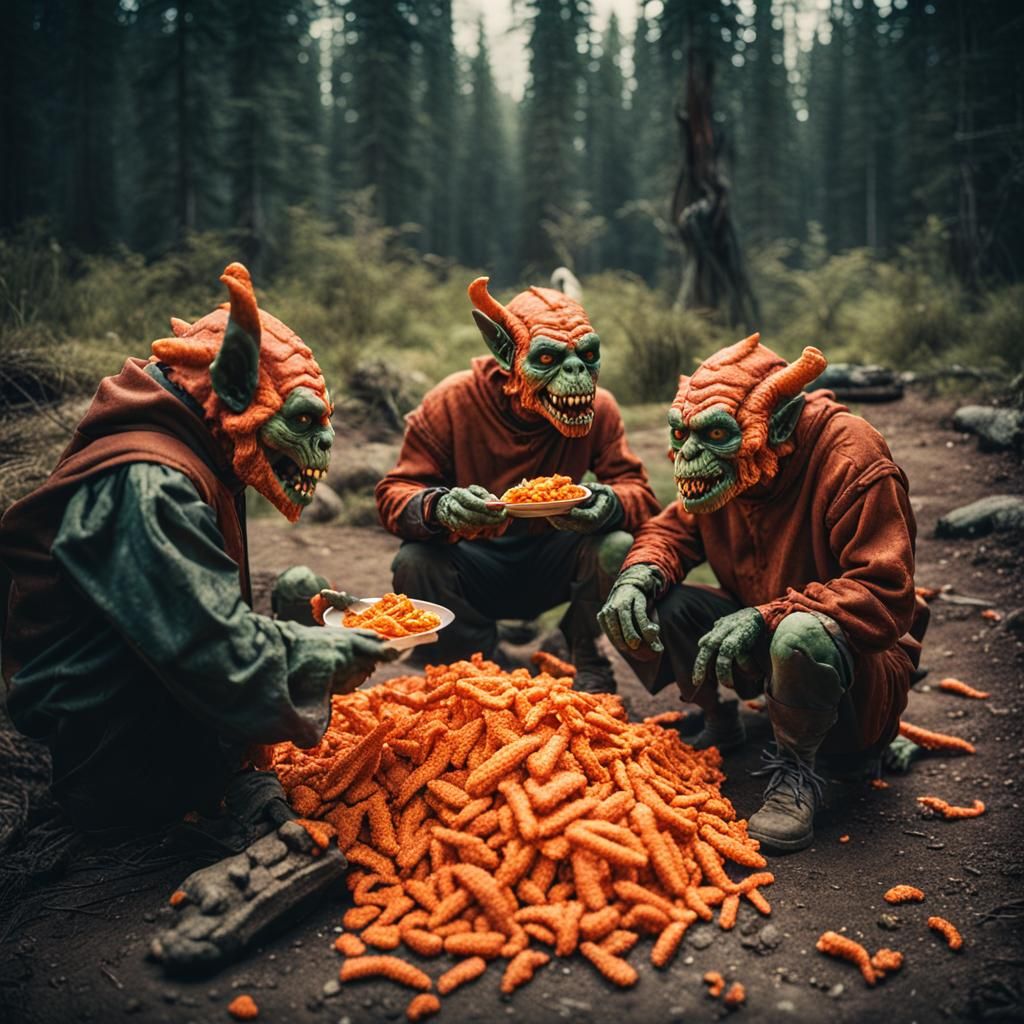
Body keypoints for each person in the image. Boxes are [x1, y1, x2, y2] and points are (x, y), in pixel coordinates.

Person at [0, 263, 395, 840]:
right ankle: (198, 795)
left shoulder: (195, 451)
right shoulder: (149, 483)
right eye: (305, 421)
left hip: (153, 700)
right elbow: (205, 644)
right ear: (230, 394)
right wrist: (316, 655)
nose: (327, 441)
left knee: (299, 589)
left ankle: (224, 767)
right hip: (119, 765)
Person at [598, 333, 928, 852]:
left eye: (711, 436)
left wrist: (768, 615)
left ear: (774, 426)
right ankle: (721, 721)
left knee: (798, 634)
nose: (686, 455)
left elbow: (885, 594)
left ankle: (804, 771)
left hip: (854, 667)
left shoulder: (850, 454)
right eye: (681, 434)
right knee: (642, 582)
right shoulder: (734, 466)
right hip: (763, 637)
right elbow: (671, 531)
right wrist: (638, 575)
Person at [375, 275, 660, 692]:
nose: (577, 372)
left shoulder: (601, 409)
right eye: (548, 360)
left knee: (617, 547)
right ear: (507, 355)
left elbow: (638, 491)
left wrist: (610, 502)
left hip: (554, 556)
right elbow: (394, 494)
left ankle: (580, 647)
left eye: (587, 355)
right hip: (473, 557)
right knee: (414, 562)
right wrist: (440, 507)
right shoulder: (452, 401)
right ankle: (478, 660)